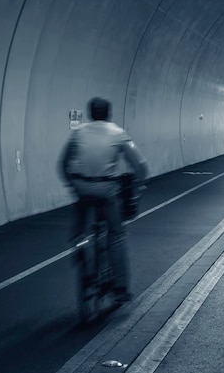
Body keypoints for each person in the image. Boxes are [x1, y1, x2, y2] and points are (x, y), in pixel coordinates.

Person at [60, 97, 149, 304]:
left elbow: (63, 164)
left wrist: (73, 186)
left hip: (82, 188)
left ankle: (80, 246)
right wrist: (140, 185)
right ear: (109, 113)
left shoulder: (78, 132)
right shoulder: (117, 133)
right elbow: (140, 166)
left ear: (90, 113)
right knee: (116, 235)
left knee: (80, 228)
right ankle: (119, 288)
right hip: (106, 190)